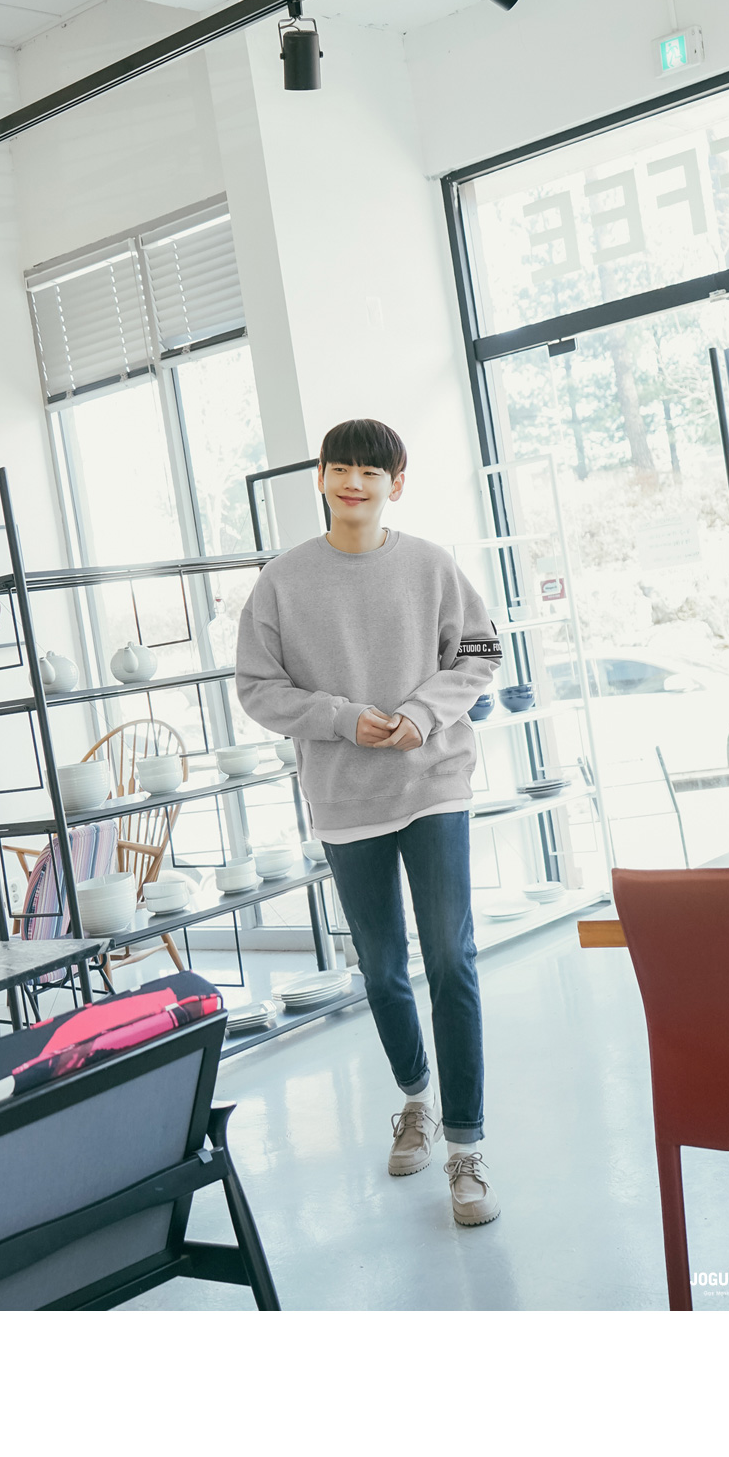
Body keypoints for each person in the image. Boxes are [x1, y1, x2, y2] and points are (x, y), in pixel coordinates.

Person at [235, 412, 502, 1230]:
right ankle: (415, 1100)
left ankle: (465, 1149)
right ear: (320, 478)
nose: (354, 482)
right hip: (345, 797)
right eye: (340, 468)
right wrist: (344, 718)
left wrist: (423, 712)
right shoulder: (281, 582)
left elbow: (481, 652)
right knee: (382, 969)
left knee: (451, 958)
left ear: (396, 485)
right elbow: (257, 688)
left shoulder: (430, 565)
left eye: (371, 471)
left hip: (434, 781)